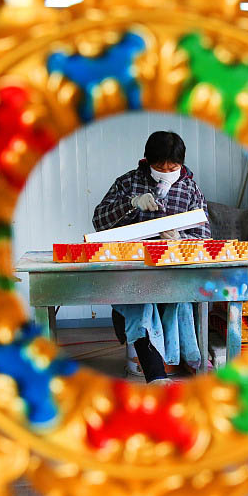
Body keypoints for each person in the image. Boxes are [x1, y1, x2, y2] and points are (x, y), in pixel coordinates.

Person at [93, 131, 210, 384]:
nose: (166, 171)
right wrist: (131, 203)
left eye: (173, 166)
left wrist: (180, 240)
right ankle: (156, 376)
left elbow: (204, 237)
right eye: (159, 166)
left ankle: (187, 364)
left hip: (173, 269)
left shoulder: (190, 188)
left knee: (177, 303)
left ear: (181, 164)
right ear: (147, 160)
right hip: (133, 269)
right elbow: (99, 223)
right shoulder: (128, 183)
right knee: (140, 304)